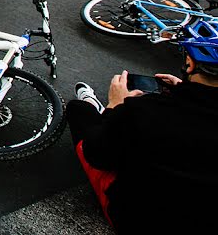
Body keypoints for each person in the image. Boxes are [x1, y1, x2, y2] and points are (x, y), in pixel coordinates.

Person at [67, 33, 218, 233]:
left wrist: (115, 106)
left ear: (190, 65)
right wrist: (184, 90)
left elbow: (97, 155)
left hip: (136, 218)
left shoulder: (145, 109)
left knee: (80, 111)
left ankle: (97, 108)